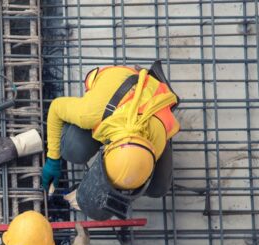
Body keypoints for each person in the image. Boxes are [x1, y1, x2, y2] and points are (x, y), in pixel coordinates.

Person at [41, 61, 180, 219]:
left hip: (153, 106)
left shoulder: (158, 139)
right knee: (72, 150)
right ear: (107, 149)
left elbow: (130, 171)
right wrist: (53, 158)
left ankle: (158, 84)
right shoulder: (91, 113)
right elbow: (55, 108)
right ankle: (147, 75)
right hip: (116, 88)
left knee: (159, 188)